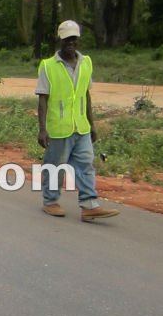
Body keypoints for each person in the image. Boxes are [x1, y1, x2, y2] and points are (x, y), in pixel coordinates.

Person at [36, 20, 119, 222]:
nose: (71, 43)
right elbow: (42, 99)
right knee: (55, 166)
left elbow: (86, 96)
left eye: (74, 38)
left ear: (78, 40)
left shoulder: (86, 63)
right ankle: (50, 201)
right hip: (59, 128)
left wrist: (92, 125)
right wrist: (42, 129)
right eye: (67, 39)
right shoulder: (48, 66)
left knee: (86, 164)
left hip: (81, 127)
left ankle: (89, 205)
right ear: (60, 40)